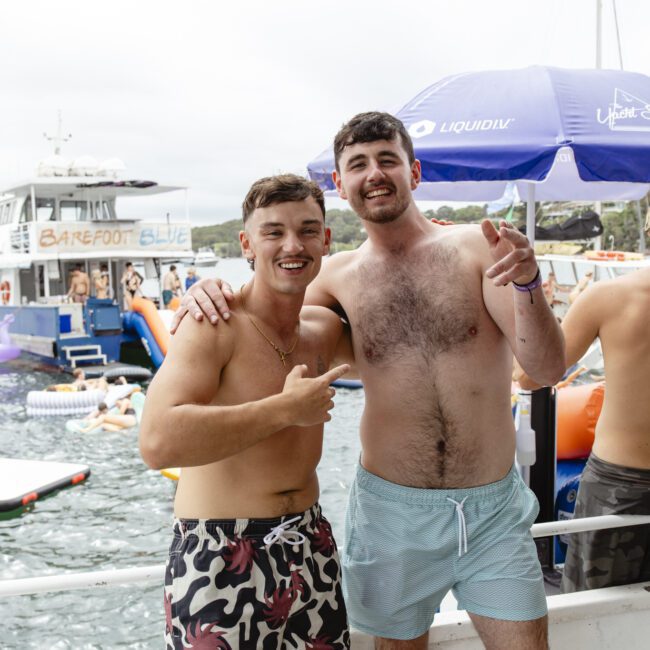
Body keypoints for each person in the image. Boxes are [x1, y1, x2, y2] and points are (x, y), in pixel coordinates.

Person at [172, 112, 565, 648]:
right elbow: (266, 318)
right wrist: (206, 291)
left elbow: (544, 369)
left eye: (387, 159)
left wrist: (528, 282)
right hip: (392, 515)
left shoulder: (479, 248)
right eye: (357, 164)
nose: (373, 173)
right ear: (339, 184)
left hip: (492, 511)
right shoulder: (332, 278)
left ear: (414, 171)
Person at [140, 174, 352, 649]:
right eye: (273, 231)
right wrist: (283, 409)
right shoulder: (213, 324)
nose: (292, 245)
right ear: (247, 243)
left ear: (326, 239)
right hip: (220, 554)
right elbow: (156, 442)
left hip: (309, 545)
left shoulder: (323, 330)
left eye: (307, 230)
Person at [518, 267, 650, 593]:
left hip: (619, 487)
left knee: (594, 611)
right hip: (619, 485)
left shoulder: (608, 297)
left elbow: (531, 376)